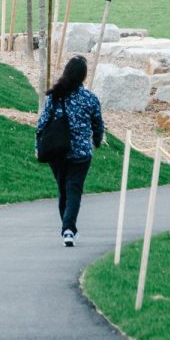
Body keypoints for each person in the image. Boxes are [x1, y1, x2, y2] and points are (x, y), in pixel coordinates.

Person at [36, 55, 104, 247]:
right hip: (81, 153)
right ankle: (68, 229)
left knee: (63, 191)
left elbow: (42, 124)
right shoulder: (90, 99)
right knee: (73, 190)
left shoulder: (54, 96)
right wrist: (96, 141)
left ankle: (67, 228)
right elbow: (98, 124)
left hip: (56, 152)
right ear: (83, 77)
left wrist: (37, 147)